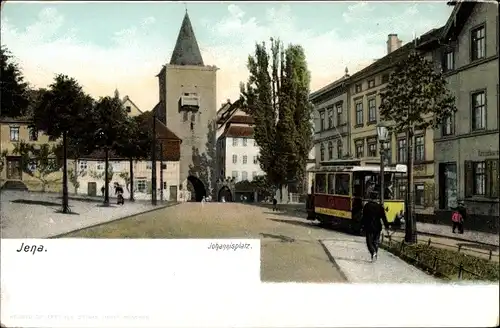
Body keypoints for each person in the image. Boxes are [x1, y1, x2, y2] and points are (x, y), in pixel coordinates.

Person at [361, 191, 390, 262]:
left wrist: (362, 226)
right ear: (377, 198)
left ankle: (373, 253)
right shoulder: (380, 207)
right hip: (377, 227)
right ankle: (374, 256)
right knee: (376, 242)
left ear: (370, 198)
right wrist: (387, 226)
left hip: (369, 227)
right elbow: (384, 217)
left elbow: (364, 217)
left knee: (369, 242)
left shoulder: (367, 206)